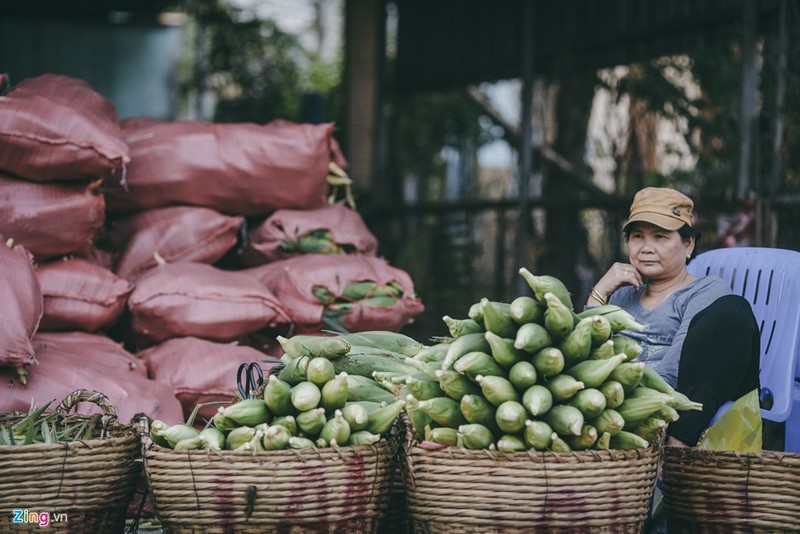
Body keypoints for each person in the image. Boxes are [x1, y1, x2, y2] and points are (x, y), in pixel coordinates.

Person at [587, 187, 761, 447]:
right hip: (610, 410)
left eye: (660, 237)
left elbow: (673, 370)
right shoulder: (620, 295)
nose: (646, 248)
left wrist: (637, 409)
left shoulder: (705, 291)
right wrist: (598, 293)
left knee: (733, 313)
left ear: (688, 244)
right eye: (637, 237)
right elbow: (582, 357)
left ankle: (673, 454)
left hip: (668, 411)